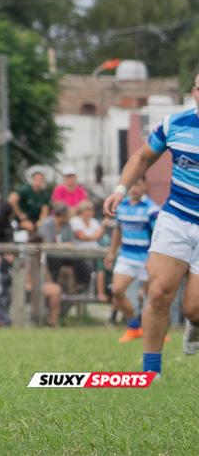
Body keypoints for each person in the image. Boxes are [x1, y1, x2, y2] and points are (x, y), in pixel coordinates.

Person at [108, 82, 199, 376]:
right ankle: (151, 372)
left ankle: (195, 324)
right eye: (198, 87)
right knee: (158, 293)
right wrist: (120, 190)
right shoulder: (175, 124)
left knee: (193, 308)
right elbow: (143, 158)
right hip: (176, 219)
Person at [106, 177, 159, 342]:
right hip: (126, 256)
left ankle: (157, 333)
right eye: (132, 185)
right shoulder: (121, 206)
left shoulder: (151, 208)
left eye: (138, 184)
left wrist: (155, 258)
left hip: (146, 258)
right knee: (117, 290)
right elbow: (117, 230)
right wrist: (111, 253)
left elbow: (159, 234)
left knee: (152, 298)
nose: (134, 188)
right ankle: (134, 327)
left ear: (144, 185)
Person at [10, 167, 51, 233]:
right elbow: (11, 199)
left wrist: (41, 221)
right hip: (24, 218)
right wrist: (20, 214)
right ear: (32, 180)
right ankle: (31, 242)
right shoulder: (25, 190)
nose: (39, 181)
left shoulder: (44, 194)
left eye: (41, 179)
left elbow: (45, 210)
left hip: (36, 218)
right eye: (36, 179)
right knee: (29, 227)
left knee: (44, 226)